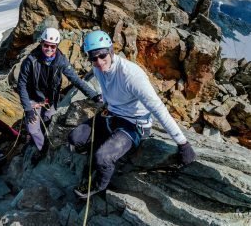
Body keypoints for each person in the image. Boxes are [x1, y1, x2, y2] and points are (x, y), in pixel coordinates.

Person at [68, 30, 196, 198]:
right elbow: (108, 89)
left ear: (111, 51)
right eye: (93, 57)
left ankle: (99, 187)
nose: (99, 62)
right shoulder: (99, 69)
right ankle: (98, 149)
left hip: (134, 124)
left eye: (102, 55)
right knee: (74, 138)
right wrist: (106, 102)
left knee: (103, 157)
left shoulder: (131, 76)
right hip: (112, 114)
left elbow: (158, 108)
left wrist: (183, 144)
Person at [17, 27, 101, 164]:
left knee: (49, 120)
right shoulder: (30, 61)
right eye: (46, 45)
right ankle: (41, 149)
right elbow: (21, 85)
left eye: (52, 46)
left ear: (56, 46)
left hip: (51, 100)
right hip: (34, 99)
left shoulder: (61, 61)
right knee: (33, 128)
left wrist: (93, 95)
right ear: (41, 43)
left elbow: (76, 80)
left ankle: (40, 143)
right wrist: (27, 108)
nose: (49, 49)